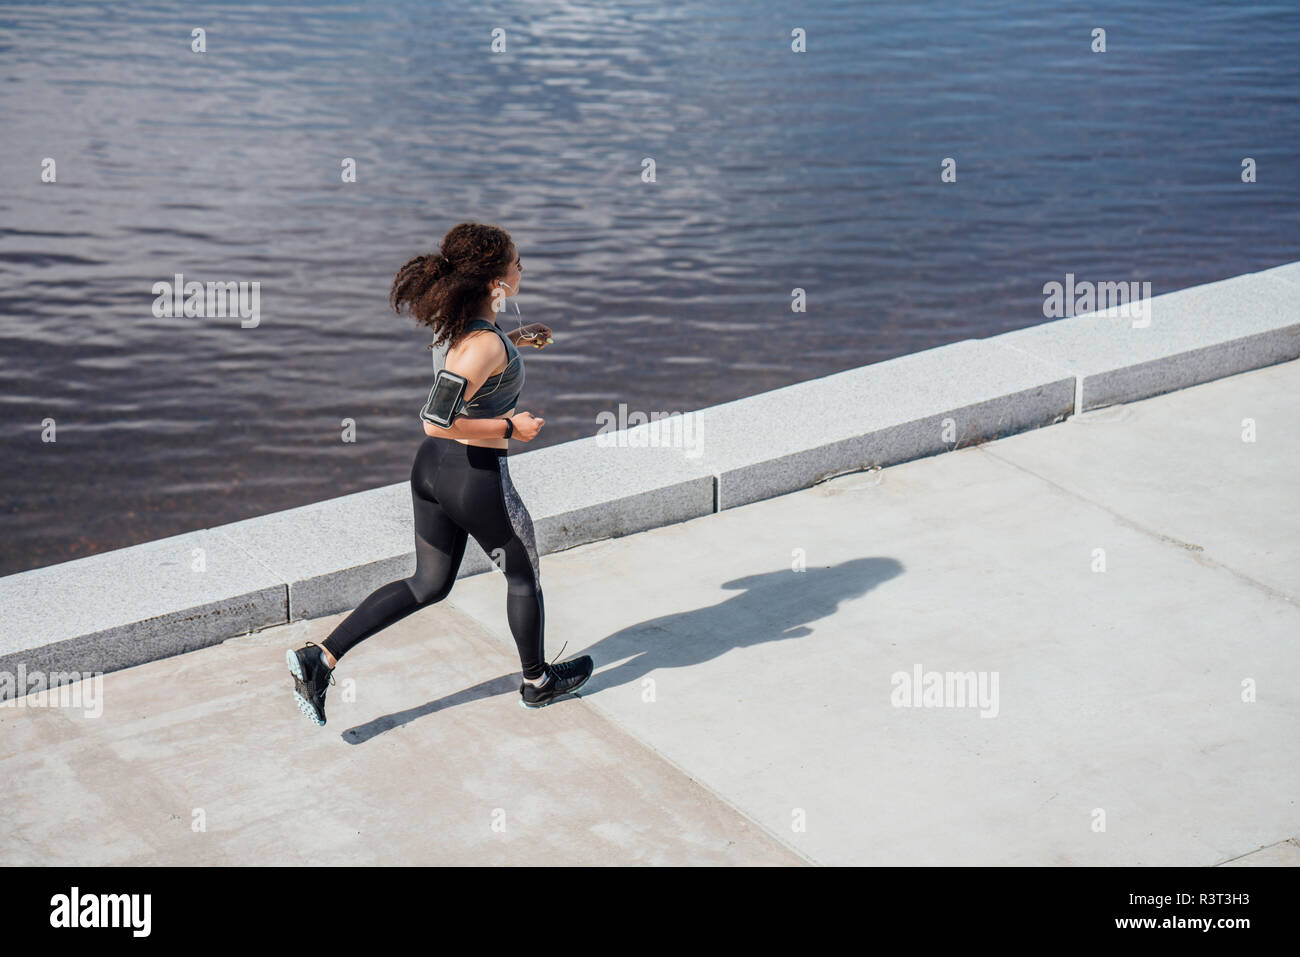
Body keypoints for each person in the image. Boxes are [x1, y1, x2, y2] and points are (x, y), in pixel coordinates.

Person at [286, 222, 593, 725]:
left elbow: (470, 366)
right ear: (496, 280)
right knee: (522, 574)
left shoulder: (458, 326)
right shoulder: (484, 347)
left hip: (432, 475)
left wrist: (516, 340)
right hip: (474, 475)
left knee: (428, 583)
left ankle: (319, 658)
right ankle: (537, 682)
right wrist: (510, 426)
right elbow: (435, 419)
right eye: (516, 263)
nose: (523, 269)